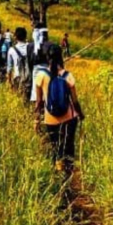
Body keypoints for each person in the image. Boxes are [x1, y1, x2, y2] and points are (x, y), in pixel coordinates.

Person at [33, 44, 84, 175]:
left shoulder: (41, 75)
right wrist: (81, 114)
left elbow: (39, 102)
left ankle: (56, 173)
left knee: (55, 147)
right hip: (69, 118)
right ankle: (68, 175)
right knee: (68, 147)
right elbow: (75, 101)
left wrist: (36, 120)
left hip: (50, 119)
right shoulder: (68, 76)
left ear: (47, 57)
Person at [6, 26, 31, 95]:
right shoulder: (31, 47)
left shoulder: (11, 50)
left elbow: (9, 67)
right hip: (30, 78)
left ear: (15, 37)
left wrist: (9, 81)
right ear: (25, 36)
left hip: (17, 77)